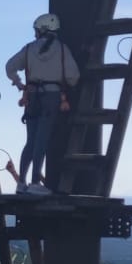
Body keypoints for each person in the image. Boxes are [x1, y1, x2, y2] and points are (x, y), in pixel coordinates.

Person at [5, 13, 80, 195]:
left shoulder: (29, 49)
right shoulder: (62, 50)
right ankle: (35, 183)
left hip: (32, 97)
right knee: (42, 140)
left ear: (42, 29)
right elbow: (73, 77)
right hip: (52, 97)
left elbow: (10, 67)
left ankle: (22, 182)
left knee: (30, 141)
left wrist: (19, 83)